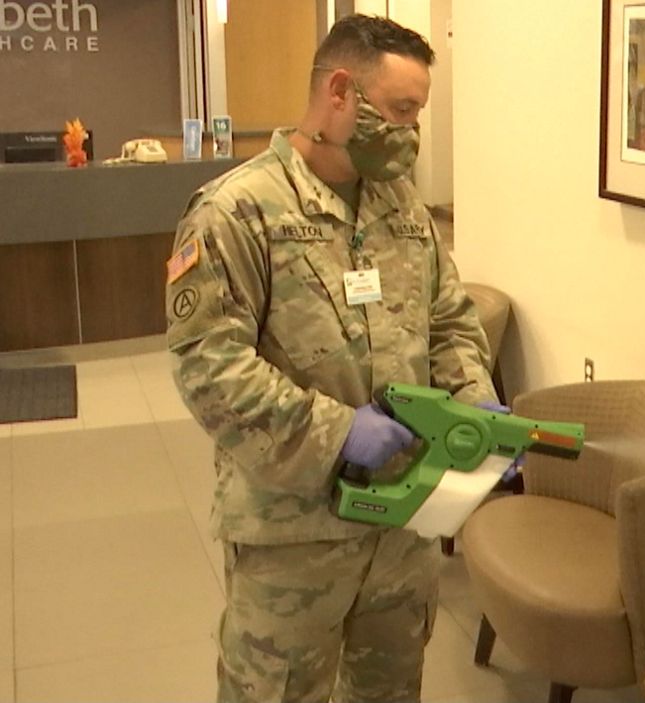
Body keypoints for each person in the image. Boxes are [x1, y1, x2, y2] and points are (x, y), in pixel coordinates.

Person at [165, 15, 499, 703]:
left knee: (389, 689)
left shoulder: (402, 208)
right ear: (340, 91)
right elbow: (209, 366)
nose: (411, 131)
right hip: (293, 535)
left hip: (402, 525)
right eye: (400, 110)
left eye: (418, 114)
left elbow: (448, 321)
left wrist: (476, 401)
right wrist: (339, 431)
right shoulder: (238, 211)